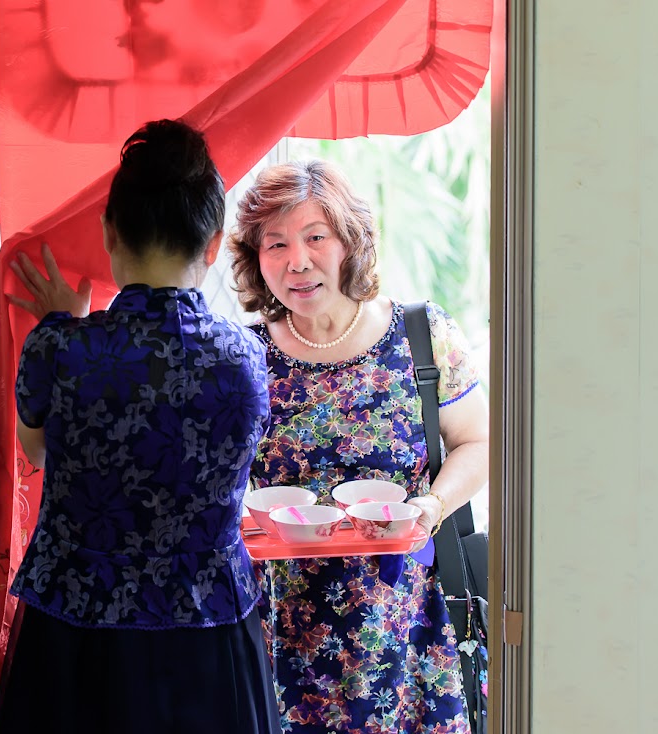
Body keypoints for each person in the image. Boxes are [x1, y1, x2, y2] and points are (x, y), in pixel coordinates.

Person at [0, 119, 281, 734]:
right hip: (209, 635)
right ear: (212, 244)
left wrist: (61, 325)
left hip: (76, 634)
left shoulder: (61, 350)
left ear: (109, 231)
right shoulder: (247, 359)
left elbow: (36, 453)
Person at [228, 160, 490, 733]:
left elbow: (477, 442)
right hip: (281, 637)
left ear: (350, 242)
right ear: (256, 259)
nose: (298, 261)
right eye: (276, 244)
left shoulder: (421, 335)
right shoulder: (243, 356)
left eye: (315, 237)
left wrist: (433, 505)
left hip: (407, 630)